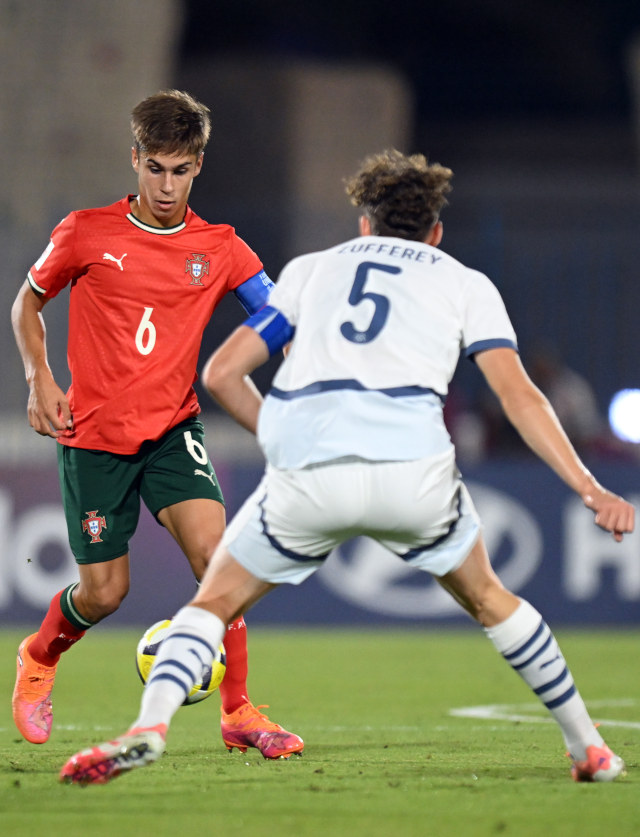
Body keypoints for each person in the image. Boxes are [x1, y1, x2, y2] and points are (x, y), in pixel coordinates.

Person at [59, 149, 634, 786]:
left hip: (311, 470)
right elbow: (519, 396)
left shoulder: (313, 270)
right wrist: (589, 486)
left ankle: (149, 727)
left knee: (212, 603)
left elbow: (221, 372)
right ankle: (589, 748)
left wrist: (283, 434)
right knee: (492, 598)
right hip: (413, 471)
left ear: (364, 224)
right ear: (436, 233)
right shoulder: (465, 282)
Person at [10, 89, 303, 760]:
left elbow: (276, 312)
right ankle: (39, 652)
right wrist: (38, 374)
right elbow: (27, 302)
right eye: (155, 168)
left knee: (220, 558)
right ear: (135, 158)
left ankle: (239, 712)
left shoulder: (221, 247)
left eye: (181, 170)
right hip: (94, 440)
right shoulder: (85, 231)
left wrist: (300, 352)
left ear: (198, 165)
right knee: (105, 592)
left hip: (173, 431)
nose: (166, 185)